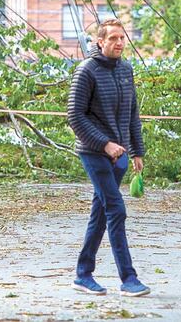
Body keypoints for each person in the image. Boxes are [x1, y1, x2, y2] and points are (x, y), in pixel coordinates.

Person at [67, 18, 150, 297]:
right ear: (100, 41)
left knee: (101, 213)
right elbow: (74, 117)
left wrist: (137, 150)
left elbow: (132, 113)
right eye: (113, 38)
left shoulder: (126, 69)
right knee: (116, 209)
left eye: (122, 38)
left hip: (122, 155)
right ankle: (128, 279)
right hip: (94, 152)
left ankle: (82, 274)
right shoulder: (86, 71)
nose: (119, 43)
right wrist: (105, 145)